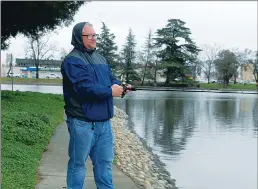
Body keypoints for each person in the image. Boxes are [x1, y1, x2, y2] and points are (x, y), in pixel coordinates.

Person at [61, 22, 130, 189]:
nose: (93, 38)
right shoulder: (72, 61)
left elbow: (110, 79)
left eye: (94, 35)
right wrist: (109, 91)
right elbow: (84, 89)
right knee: (78, 165)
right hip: (82, 122)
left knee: (105, 165)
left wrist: (121, 87)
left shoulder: (100, 58)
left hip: (104, 124)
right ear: (79, 37)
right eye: (89, 36)